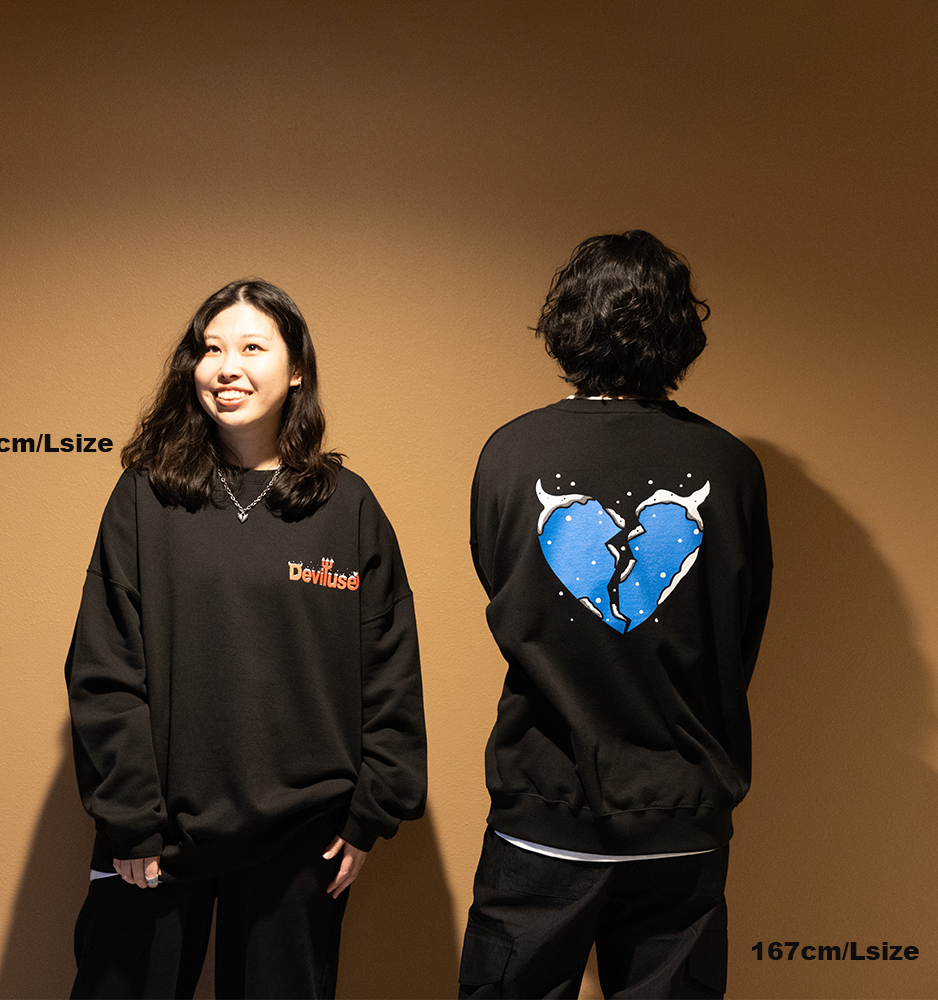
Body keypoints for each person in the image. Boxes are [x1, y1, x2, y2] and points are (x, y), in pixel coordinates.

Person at [65, 279, 427, 1000]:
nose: (227, 367)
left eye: (253, 347)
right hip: (159, 834)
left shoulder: (346, 507)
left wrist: (368, 815)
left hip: (302, 838)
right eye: (211, 349)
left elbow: (390, 669)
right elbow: (104, 666)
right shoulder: (145, 496)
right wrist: (131, 820)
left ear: (296, 371)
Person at [457, 231, 773, 1000]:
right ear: (680, 332)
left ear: (567, 324)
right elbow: (740, 634)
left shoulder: (511, 453)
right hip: (684, 814)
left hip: (543, 812)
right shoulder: (731, 467)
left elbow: (502, 593)